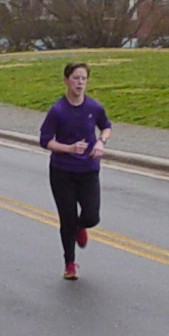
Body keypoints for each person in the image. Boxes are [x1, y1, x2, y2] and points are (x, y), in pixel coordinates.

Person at [39, 62, 112, 280]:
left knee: (92, 216)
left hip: (88, 169)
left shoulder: (94, 107)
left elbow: (106, 126)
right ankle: (69, 263)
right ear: (66, 81)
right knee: (67, 218)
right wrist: (67, 148)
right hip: (62, 171)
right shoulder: (57, 110)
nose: (79, 83)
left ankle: (81, 226)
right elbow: (44, 140)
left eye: (83, 78)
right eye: (75, 78)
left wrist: (101, 142)